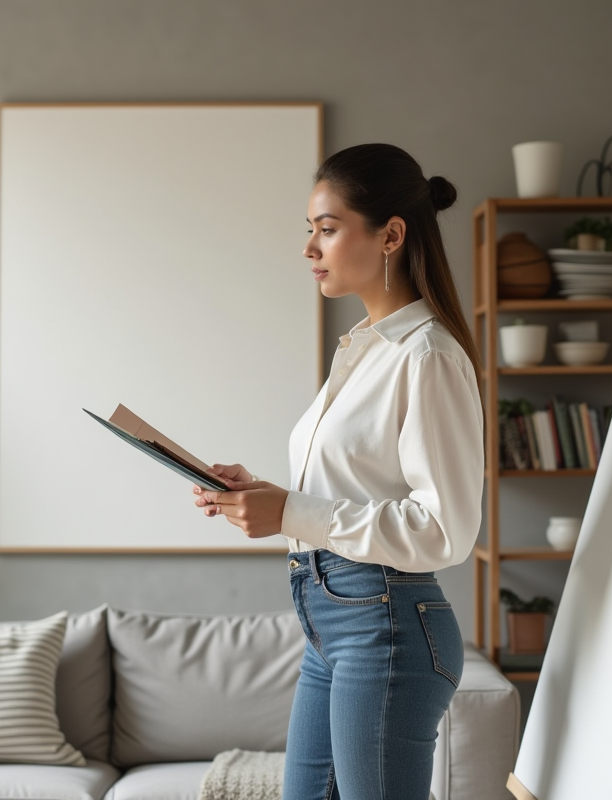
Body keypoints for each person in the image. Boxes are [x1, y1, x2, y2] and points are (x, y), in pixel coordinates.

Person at [191, 142, 485, 800]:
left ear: (391, 235)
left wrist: (290, 513)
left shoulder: (427, 356)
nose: (309, 248)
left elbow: (445, 530)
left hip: (384, 626)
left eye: (327, 229)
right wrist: (268, 496)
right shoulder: (361, 351)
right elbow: (354, 488)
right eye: (310, 230)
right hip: (329, 624)